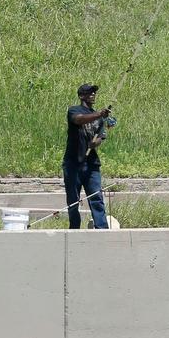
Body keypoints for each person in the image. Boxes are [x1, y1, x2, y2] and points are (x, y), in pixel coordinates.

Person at [63, 83, 111, 229]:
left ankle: (101, 228)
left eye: (94, 93)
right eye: (89, 93)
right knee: (73, 200)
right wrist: (99, 114)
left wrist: (95, 143)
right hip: (73, 163)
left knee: (96, 197)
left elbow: (100, 137)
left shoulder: (99, 117)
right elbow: (79, 119)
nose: (92, 95)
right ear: (81, 96)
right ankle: (74, 229)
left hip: (91, 164)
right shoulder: (74, 110)